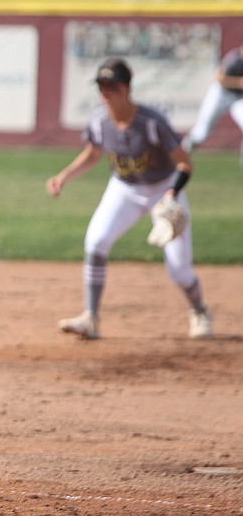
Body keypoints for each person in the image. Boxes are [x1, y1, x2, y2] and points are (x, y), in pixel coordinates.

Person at [46, 58, 212, 341]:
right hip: (124, 188)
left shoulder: (151, 123)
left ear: (125, 88)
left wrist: (172, 194)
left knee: (179, 272)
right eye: (100, 85)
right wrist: (64, 176)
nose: (104, 91)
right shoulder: (99, 120)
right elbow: (93, 153)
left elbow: (185, 165)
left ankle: (199, 310)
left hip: (162, 189)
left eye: (110, 85)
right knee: (96, 241)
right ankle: (90, 318)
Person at [182, 36, 243, 161]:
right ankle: (181, 152)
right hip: (221, 94)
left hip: (239, 98)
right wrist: (239, 83)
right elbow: (218, 78)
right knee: (201, 133)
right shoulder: (234, 59)